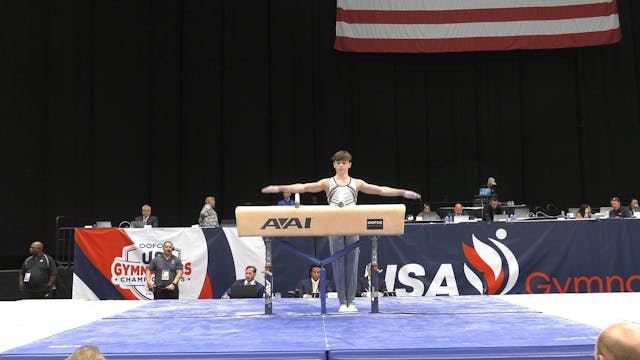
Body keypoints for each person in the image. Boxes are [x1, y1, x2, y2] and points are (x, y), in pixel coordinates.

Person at [261, 150, 420, 312]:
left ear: (349, 164)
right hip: (334, 225)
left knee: (351, 265)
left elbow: (380, 190)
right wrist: (278, 188)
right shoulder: (327, 183)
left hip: (352, 225)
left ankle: (351, 302)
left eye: (344, 163)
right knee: (338, 264)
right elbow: (304, 187)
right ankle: (342, 302)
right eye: (338, 163)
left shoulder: (356, 183)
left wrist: (403, 192)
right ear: (334, 165)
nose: (341, 165)